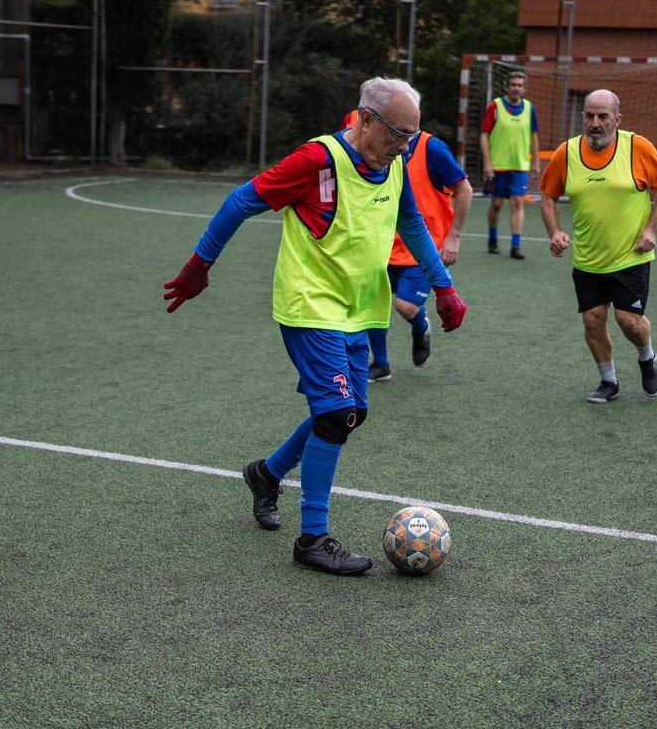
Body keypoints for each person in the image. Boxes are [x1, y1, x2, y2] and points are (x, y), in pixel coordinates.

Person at [164, 77, 468, 575]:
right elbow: (242, 200)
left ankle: (266, 474)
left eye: (411, 137)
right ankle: (313, 538)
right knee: (335, 416)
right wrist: (200, 265)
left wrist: (444, 286)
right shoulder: (317, 161)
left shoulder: (393, 166)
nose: (403, 146)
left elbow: (410, 223)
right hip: (310, 307)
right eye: (397, 133)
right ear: (364, 118)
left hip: (359, 310)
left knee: (352, 412)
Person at [540, 89, 657, 404]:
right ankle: (608, 380)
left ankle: (647, 356)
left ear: (617, 119)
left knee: (629, 321)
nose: (595, 123)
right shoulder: (567, 152)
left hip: (631, 256)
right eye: (589, 116)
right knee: (592, 320)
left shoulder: (637, 147)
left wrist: (651, 229)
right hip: (588, 260)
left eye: (603, 116)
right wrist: (555, 231)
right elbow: (547, 195)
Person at [341, 109, 473, 381]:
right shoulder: (366, 148)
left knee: (405, 306)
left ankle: (420, 325)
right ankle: (381, 364)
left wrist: (454, 236)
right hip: (381, 245)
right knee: (372, 308)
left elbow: (464, 188)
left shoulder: (431, 148)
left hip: (422, 247)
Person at [479, 71, 539, 259]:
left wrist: (536, 161)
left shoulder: (530, 108)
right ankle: (493, 238)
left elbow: (534, 136)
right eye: (513, 84)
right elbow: (484, 134)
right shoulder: (495, 106)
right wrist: (487, 162)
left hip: (520, 165)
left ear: (524, 88)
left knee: (517, 202)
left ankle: (515, 246)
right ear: (507, 86)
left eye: (520, 85)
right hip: (498, 165)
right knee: (496, 204)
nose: (516, 88)